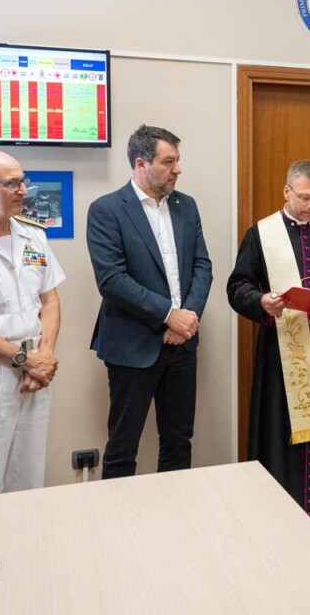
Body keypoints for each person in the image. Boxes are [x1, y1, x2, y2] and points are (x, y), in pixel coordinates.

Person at [227, 160, 310, 529]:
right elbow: (237, 285)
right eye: (305, 197)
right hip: (281, 355)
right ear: (287, 191)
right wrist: (261, 302)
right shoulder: (261, 233)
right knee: (280, 432)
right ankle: (278, 514)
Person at [87, 125, 213, 477]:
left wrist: (187, 318)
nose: (178, 169)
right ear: (141, 164)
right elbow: (111, 280)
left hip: (183, 345)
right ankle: (119, 525)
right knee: (123, 446)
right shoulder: (107, 210)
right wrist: (169, 316)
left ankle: (172, 522)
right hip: (133, 345)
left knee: (178, 441)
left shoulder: (186, 206)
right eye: (169, 161)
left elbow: (203, 265)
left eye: (178, 161)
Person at [0, 150, 65, 496]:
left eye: (22, 182)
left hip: (36, 370)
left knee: (29, 474)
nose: (23, 190)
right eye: (11, 184)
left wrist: (44, 356)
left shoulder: (34, 235)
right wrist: (24, 359)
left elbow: (49, 299)